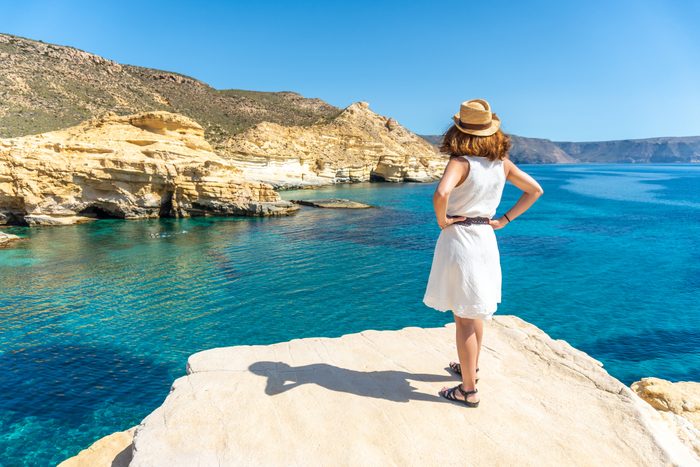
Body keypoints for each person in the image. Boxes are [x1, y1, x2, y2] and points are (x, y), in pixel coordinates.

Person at [422, 99, 544, 407]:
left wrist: (442, 220)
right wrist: (504, 219)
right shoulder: (501, 164)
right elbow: (534, 190)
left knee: (463, 317)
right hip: (485, 239)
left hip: (461, 238)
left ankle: (468, 390)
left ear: (459, 130)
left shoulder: (460, 162)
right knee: (474, 310)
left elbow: (441, 193)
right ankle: (469, 368)